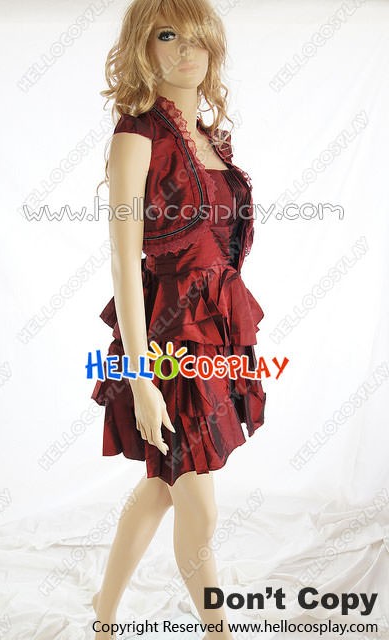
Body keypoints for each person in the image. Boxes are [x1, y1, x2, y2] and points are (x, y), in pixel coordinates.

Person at [90, 0, 266, 637]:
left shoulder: (212, 140)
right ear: (144, 46)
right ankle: (219, 629)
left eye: (197, 37)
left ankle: (104, 611)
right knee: (201, 505)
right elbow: (123, 261)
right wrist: (140, 377)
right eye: (169, 36)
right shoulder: (137, 136)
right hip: (166, 341)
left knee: (166, 484)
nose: (186, 50)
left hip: (213, 337)